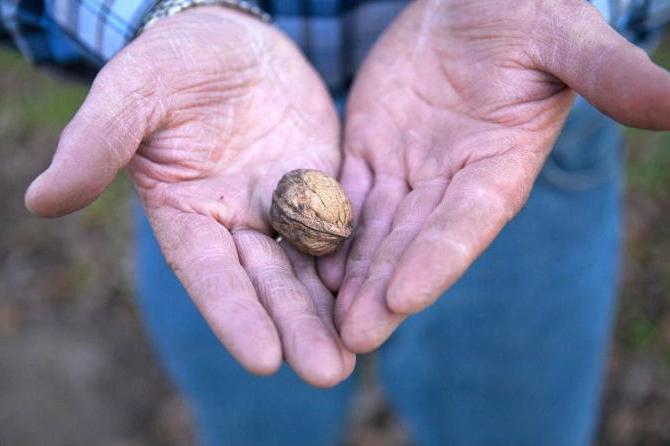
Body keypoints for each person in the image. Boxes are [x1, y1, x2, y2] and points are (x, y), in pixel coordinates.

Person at [4, 0, 670, 444]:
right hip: (217, 148)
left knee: (510, 421)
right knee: (258, 414)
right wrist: (160, 15)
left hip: (493, 113)